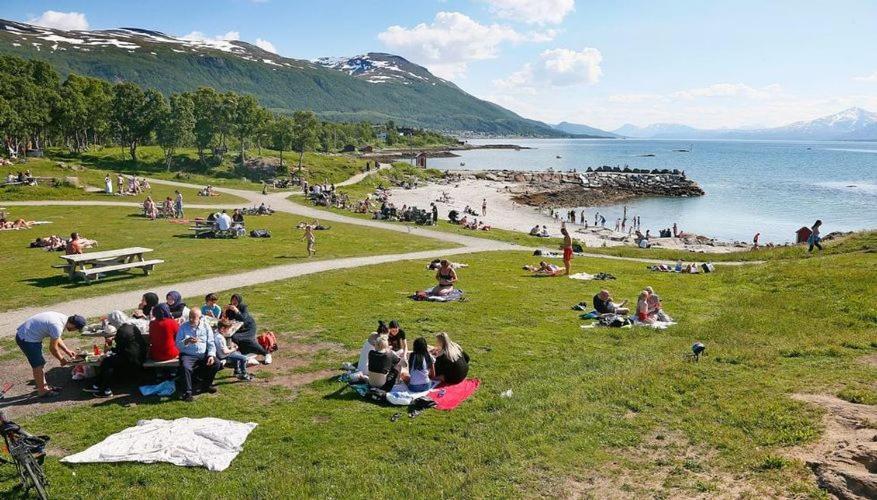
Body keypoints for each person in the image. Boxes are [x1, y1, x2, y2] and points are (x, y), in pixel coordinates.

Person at [15, 312, 83, 397]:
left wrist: (67, 351)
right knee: (38, 365)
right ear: (73, 325)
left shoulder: (63, 318)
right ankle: (42, 391)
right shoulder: (57, 326)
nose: (74, 331)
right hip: (27, 339)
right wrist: (62, 359)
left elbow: (56, 337)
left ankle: (44, 387)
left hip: (27, 334)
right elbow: (53, 348)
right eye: (76, 329)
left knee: (40, 363)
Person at [85, 322, 148, 398]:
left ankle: (105, 390)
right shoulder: (131, 327)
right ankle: (97, 384)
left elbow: (120, 350)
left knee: (107, 362)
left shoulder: (120, 333)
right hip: (141, 355)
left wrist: (110, 348)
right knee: (109, 361)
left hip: (132, 359)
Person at [175, 309, 218, 402]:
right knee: (186, 367)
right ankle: (188, 392)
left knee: (216, 364)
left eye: (194, 317)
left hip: (203, 353)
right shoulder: (183, 327)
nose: (191, 319)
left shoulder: (206, 326)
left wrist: (211, 355)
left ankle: (206, 385)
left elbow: (211, 343)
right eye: (190, 316)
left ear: (200, 318)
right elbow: (177, 344)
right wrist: (186, 341)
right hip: (188, 354)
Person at [225, 294, 271, 363]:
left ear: (239, 301)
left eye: (236, 300)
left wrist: (236, 310)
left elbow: (243, 318)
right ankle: (244, 353)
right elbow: (227, 319)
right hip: (237, 328)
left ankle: (266, 353)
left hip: (248, 327)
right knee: (234, 337)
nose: (234, 302)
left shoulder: (243, 307)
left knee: (248, 340)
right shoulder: (229, 308)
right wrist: (224, 311)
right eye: (233, 300)